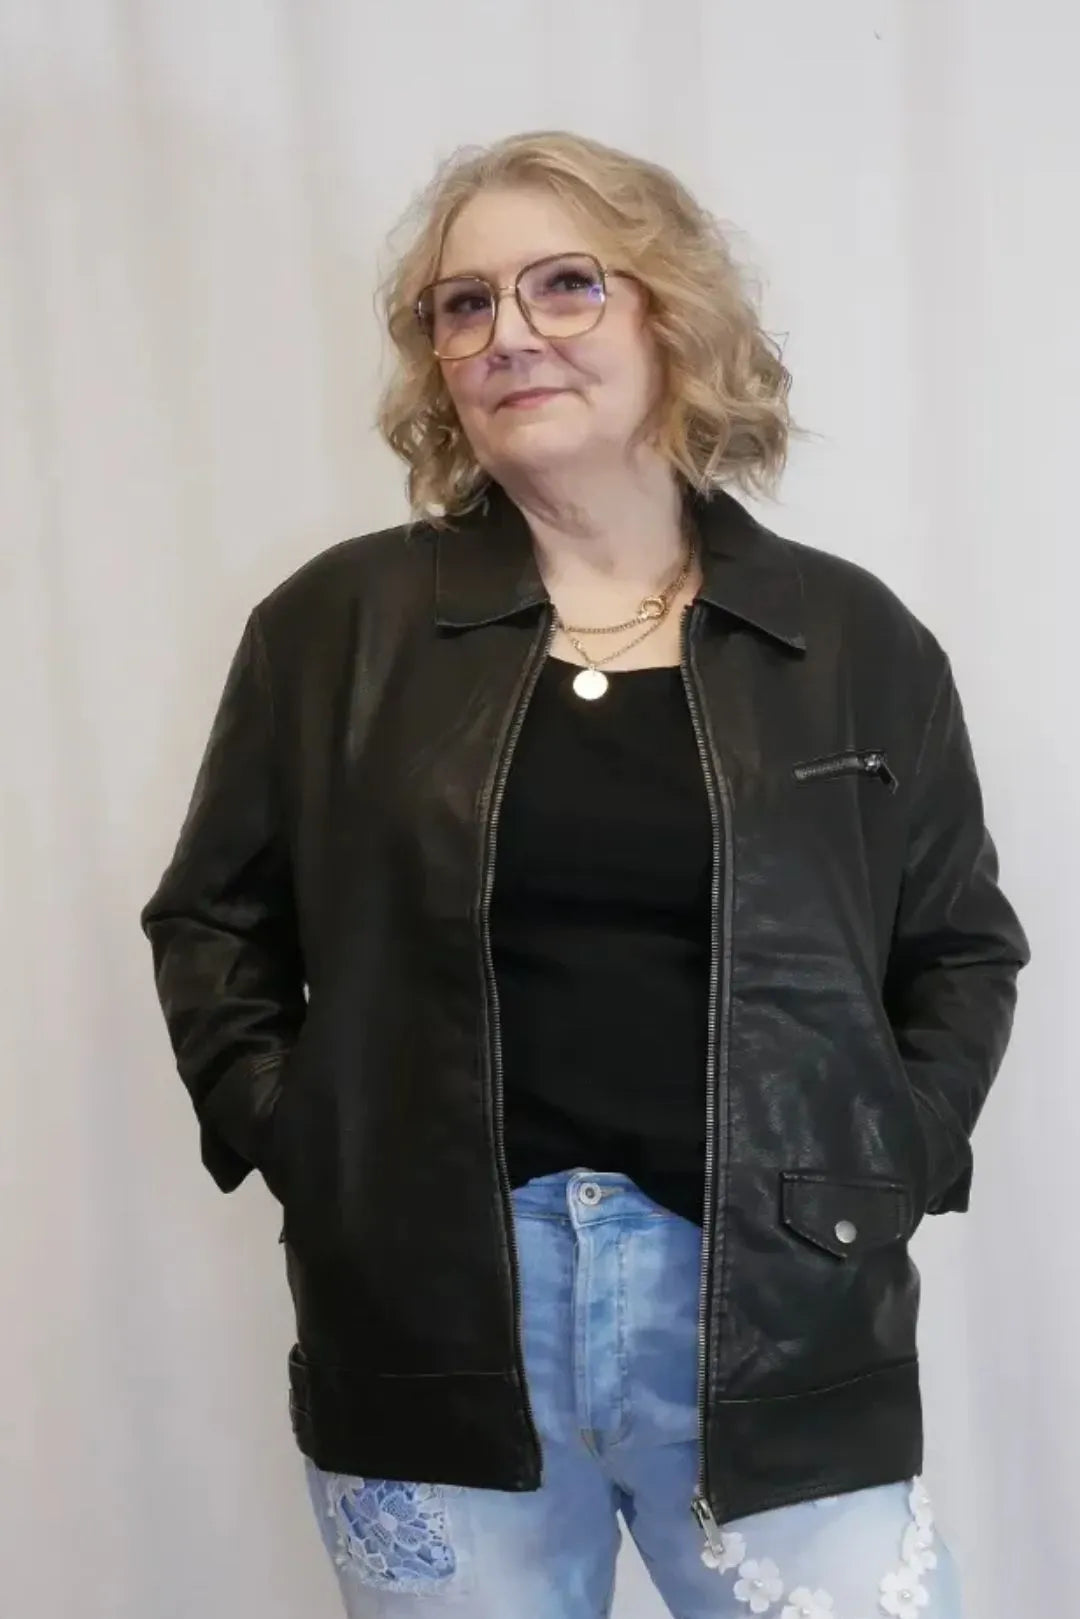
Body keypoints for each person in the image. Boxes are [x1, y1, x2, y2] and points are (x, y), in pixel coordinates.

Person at [140, 130, 1030, 1619]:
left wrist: (881, 1160)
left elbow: (957, 950)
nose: (509, 333)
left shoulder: (849, 640)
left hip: (776, 1308)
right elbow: (213, 922)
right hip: (434, 1312)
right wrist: (318, 1152)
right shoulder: (335, 629)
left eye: (565, 284)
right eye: (464, 304)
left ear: (672, 313)